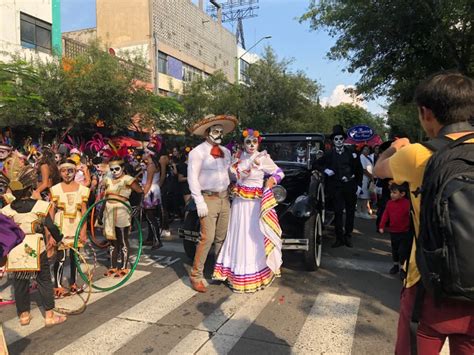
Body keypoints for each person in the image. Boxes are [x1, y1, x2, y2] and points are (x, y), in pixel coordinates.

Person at [374, 71, 474, 354]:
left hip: (428, 284)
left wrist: (394, 148)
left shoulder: (417, 154)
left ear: (426, 113)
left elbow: (378, 170)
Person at [213, 128, 284, 293]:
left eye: (254, 142)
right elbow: (231, 176)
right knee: (238, 234)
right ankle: (236, 273)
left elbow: (279, 173)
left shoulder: (263, 158)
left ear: (258, 142)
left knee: (252, 236)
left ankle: (254, 272)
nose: (252, 145)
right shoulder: (237, 157)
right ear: (243, 143)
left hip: (254, 204)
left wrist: (271, 182)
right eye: (248, 142)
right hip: (238, 203)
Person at [0, 166, 66, 327]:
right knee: (43, 280)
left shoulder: (6, 210)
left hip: (15, 248)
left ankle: (24, 316)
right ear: (30, 188)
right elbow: (51, 226)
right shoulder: (40, 206)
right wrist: (59, 239)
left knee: (20, 282)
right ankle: (49, 316)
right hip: (37, 245)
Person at [187, 114, 237, 293]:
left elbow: (230, 174)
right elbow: (192, 178)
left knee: (222, 238)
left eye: (221, 131)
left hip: (225, 198)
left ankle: (220, 271)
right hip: (208, 199)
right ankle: (196, 275)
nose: (219, 134)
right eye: (215, 131)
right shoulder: (197, 152)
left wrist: (241, 171)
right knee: (207, 238)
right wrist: (199, 201)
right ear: (207, 132)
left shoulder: (226, 152)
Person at [314, 125, 363, 248]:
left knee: (350, 211)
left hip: (350, 185)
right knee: (338, 212)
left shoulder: (352, 153)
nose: (339, 141)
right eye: (336, 139)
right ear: (333, 140)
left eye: (341, 139)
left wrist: (359, 185)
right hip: (336, 187)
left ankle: (348, 236)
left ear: (344, 139)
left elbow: (359, 170)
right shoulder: (329, 154)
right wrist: (325, 170)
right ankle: (339, 238)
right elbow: (316, 164)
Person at [50, 159, 90, 297]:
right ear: (59, 172)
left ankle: (73, 283)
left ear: (75, 171)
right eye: (63, 171)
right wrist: (51, 233)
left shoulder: (83, 189)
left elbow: (84, 211)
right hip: (61, 225)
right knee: (60, 256)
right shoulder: (55, 189)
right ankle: (58, 286)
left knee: (75, 256)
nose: (67, 174)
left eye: (70, 170)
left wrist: (84, 231)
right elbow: (51, 211)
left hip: (76, 224)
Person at [103, 157, 143, 277]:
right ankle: (113, 266)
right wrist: (99, 215)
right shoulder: (107, 179)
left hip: (122, 210)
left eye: (117, 169)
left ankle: (124, 267)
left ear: (123, 168)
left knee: (122, 238)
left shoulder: (128, 179)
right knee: (111, 240)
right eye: (112, 169)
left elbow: (140, 192)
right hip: (109, 210)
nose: (114, 171)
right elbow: (104, 197)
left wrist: (137, 207)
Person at [378, 183, 412, 275]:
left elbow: (412, 215)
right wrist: (381, 225)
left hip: (404, 231)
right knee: (395, 250)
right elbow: (386, 214)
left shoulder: (407, 204)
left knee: (402, 251)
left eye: (394, 192)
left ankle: (402, 268)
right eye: (391, 192)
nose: (391, 194)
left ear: (402, 194)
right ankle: (395, 265)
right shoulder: (389, 203)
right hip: (393, 231)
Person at [141, 149, 163, 249]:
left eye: (144, 153)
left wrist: (143, 194)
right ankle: (150, 238)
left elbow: (148, 182)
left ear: (149, 155)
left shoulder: (151, 166)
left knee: (150, 216)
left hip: (150, 191)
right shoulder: (151, 165)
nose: (142, 155)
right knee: (150, 215)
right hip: (152, 190)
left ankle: (157, 240)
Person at [357, 145, 375, 219]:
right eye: (365, 149)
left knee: (362, 196)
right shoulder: (362, 157)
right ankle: (363, 212)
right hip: (364, 179)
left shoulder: (368, 158)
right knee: (364, 196)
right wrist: (371, 176)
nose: (366, 151)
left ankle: (359, 211)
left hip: (367, 179)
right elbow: (364, 170)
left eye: (368, 149)